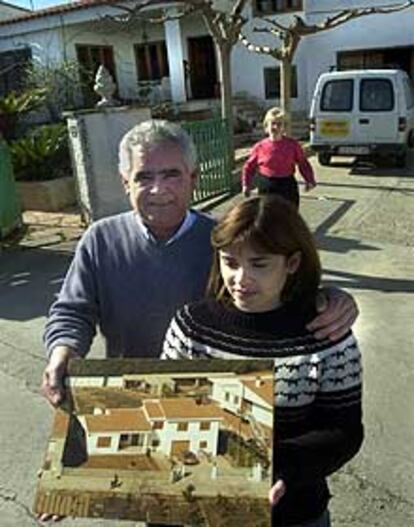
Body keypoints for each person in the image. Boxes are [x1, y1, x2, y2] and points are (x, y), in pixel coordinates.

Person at [42, 119, 357, 410]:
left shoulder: (226, 243)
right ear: (126, 183)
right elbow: (73, 310)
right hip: (133, 394)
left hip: (218, 400)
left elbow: (281, 287)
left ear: (193, 178)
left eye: (171, 175)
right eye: (143, 177)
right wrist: (63, 354)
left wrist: (329, 299)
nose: (158, 189)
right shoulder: (100, 239)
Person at [162, 195, 363, 527]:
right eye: (230, 261)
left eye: (259, 264)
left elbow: (344, 430)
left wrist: (284, 466)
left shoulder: (328, 334)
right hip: (202, 508)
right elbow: (163, 412)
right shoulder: (190, 326)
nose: (241, 278)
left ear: (293, 263)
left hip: (294, 511)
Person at [242, 107, 316, 207]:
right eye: (273, 123)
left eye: (279, 124)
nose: (275, 127)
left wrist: (309, 180)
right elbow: (249, 167)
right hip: (267, 187)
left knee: (289, 218)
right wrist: (246, 185)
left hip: (287, 186)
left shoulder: (292, 145)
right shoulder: (259, 147)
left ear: (284, 127)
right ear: (266, 127)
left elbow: (303, 163)